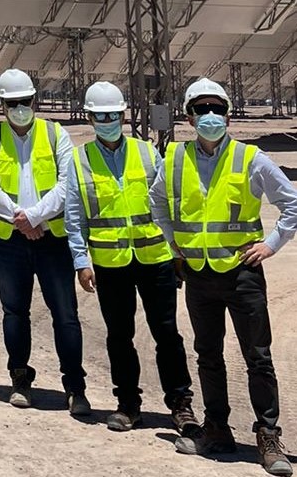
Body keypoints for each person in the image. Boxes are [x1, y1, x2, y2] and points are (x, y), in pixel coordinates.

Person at [152, 78, 297, 476]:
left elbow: (292, 205)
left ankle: (268, 435)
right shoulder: (174, 159)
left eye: (217, 108)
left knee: (258, 357)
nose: (210, 116)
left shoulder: (251, 158)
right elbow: (157, 204)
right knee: (209, 356)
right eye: (202, 109)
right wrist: (173, 245)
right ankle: (217, 429)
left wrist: (270, 245)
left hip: (242, 275)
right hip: (198, 276)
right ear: (188, 116)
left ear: (228, 115)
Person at [64, 81, 197, 435]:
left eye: (112, 114)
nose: (106, 120)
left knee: (167, 332)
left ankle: (180, 404)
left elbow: (165, 204)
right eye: (99, 115)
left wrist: (176, 251)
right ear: (90, 118)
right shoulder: (79, 160)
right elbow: (74, 217)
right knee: (119, 335)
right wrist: (81, 261)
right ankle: (128, 404)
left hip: (155, 258)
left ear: (122, 115)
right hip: (111, 263)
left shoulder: (147, 152)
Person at [0, 68, 88, 414]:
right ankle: (20, 377)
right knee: (14, 312)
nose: (19, 108)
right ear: (2, 105)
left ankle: (75, 386)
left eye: (24, 102)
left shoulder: (56, 135)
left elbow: (67, 183)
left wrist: (35, 216)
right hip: (11, 240)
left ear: (34, 101)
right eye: (12, 103)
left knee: (65, 314)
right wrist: (20, 219)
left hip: (52, 239)